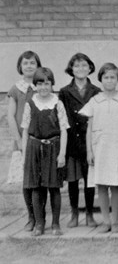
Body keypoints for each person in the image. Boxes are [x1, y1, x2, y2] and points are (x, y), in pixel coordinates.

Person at [80, 63, 118, 233]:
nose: (109, 80)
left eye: (113, 77)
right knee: (101, 185)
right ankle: (106, 221)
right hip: (99, 148)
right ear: (101, 79)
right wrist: (89, 151)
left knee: (115, 185)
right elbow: (89, 128)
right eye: (106, 77)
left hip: (117, 148)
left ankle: (116, 220)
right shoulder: (95, 101)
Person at [22, 67, 69, 236]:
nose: (43, 87)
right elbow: (25, 131)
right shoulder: (30, 103)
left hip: (53, 148)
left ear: (52, 84)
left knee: (53, 188)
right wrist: (24, 156)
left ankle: (56, 223)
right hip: (34, 149)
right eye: (40, 84)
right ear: (35, 85)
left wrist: (62, 153)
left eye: (47, 84)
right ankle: (40, 223)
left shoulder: (58, 103)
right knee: (36, 188)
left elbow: (64, 130)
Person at [58, 53, 102, 228]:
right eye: (76, 66)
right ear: (71, 69)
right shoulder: (64, 92)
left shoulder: (96, 91)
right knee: (73, 180)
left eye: (84, 65)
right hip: (72, 142)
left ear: (90, 68)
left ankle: (90, 214)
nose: (80, 69)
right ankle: (74, 213)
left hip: (90, 142)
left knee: (89, 180)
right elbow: (63, 118)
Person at [7, 51, 41, 231]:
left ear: (38, 66)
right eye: (25, 63)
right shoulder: (16, 89)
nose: (29, 66)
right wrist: (19, 141)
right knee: (27, 181)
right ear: (20, 66)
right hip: (23, 141)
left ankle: (41, 217)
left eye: (32, 63)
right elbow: (10, 116)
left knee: (41, 182)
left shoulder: (41, 86)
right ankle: (31, 217)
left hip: (40, 140)